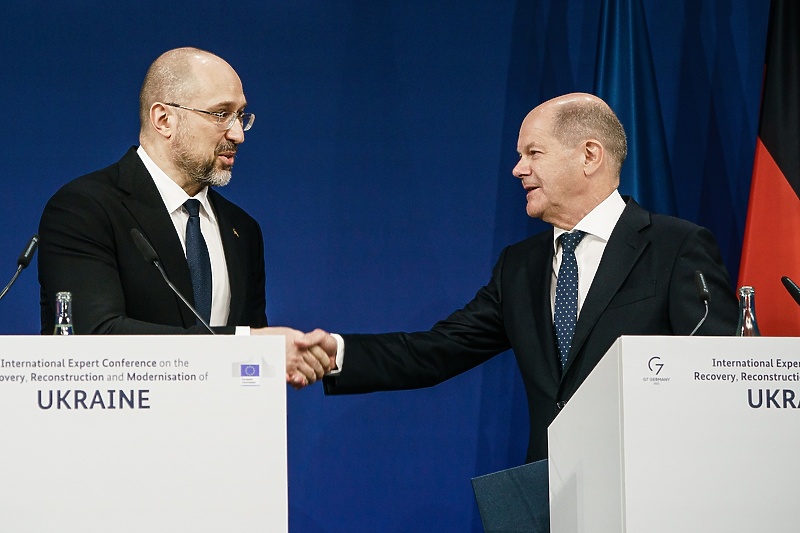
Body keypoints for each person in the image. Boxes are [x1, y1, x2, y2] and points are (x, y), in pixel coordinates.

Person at [299, 93, 739, 463]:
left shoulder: (676, 247)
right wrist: (335, 352)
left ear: (589, 155)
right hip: (550, 499)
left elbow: (719, 377)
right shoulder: (520, 266)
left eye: (533, 153)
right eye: (519, 156)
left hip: (653, 493)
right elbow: (435, 351)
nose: (518, 169)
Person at [37, 47, 328, 387]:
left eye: (241, 116)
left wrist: (266, 362)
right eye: (221, 115)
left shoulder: (242, 230)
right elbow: (92, 336)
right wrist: (246, 345)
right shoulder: (85, 208)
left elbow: (249, 375)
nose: (238, 134)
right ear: (164, 119)